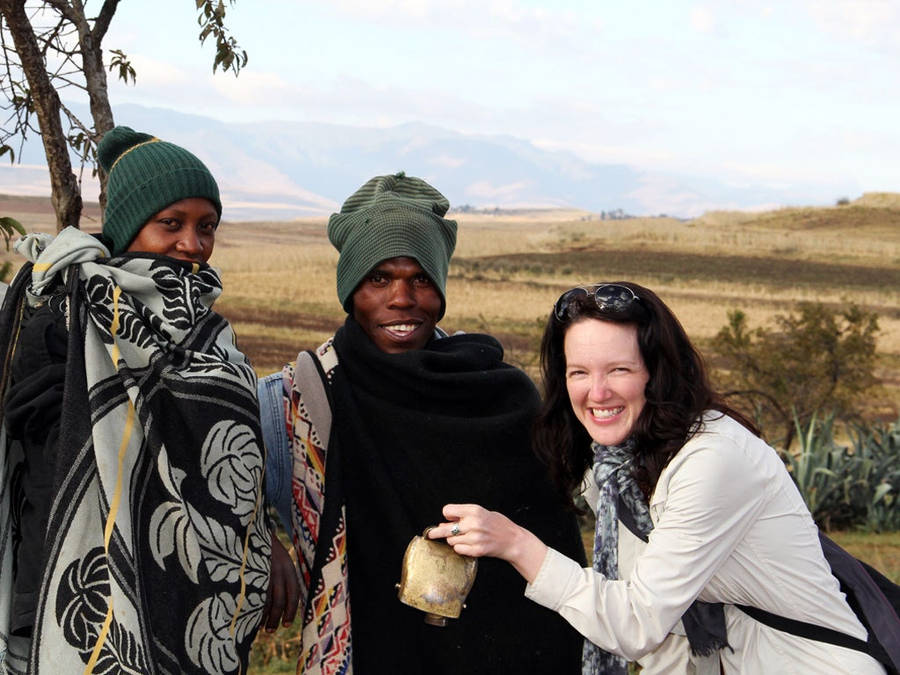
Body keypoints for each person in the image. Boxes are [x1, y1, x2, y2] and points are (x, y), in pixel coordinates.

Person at [428, 281, 887, 674]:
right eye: (579, 372)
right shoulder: (619, 464)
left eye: (619, 370)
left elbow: (637, 622)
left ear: (658, 373)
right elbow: (668, 637)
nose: (597, 392)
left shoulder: (711, 460)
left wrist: (517, 546)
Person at [259, 171, 586, 674]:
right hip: (365, 654)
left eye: (421, 279)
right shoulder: (296, 402)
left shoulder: (499, 396)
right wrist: (260, 539)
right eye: (379, 279)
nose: (402, 299)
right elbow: (203, 483)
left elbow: (554, 542)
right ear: (350, 291)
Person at [0, 126, 294, 673]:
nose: (192, 244)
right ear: (130, 227)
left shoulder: (213, 336)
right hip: (74, 587)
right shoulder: (68, 316)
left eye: (207, 227)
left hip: (193, 593)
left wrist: (264, 534)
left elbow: (231, 463)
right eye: (171, 224)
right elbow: (38, 451)